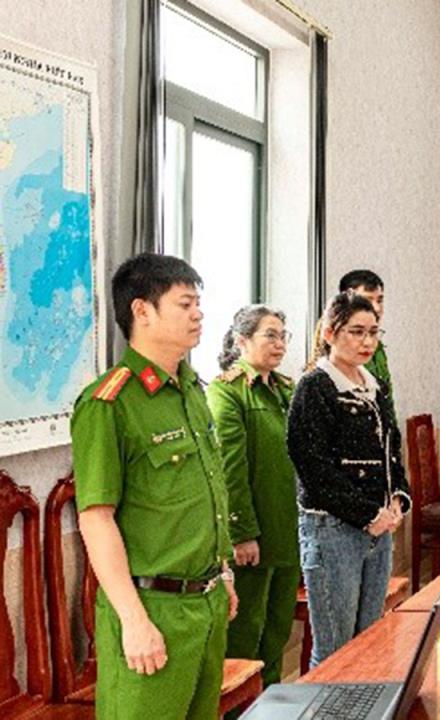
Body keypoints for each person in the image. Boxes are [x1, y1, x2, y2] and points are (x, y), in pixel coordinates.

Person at [71, 253, 236, 719]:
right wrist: (133, 619)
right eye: (185, 304)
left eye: (198, 303)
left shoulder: (192, 391)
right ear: (142, 310)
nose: (198, 314)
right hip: (152, 608)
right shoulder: (110, 403)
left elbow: (207, 493)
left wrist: (222, 572)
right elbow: (96, 518)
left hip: (206, 604)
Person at [287, 291, 411, 666]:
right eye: (356, 332)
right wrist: (368, 514)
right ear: (330, 333)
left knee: (369, 641)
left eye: (373, 332)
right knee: (335, 651)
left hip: (378, 530)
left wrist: (397, 497)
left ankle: (363, 700)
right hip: (333, 530)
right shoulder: (315, 387)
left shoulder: (374, 386)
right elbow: (313, 467)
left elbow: (392, 449)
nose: (366, 341)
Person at [207, 305, 298, 694]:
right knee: (246, 636)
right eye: (270, 335)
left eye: (283, 336)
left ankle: (272, 704)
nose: (280, 344)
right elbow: (230, 470)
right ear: (242, 341)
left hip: (289, 531)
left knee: (277, 632)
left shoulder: (285, 390)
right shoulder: (227, 392)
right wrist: (242, 532)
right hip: (254, 538)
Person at [338, 269, 394, 399]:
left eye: (379, 300)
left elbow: (386, 399)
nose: (377, 308)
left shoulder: (377, 346)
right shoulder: (337, 349)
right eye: (367, 301)